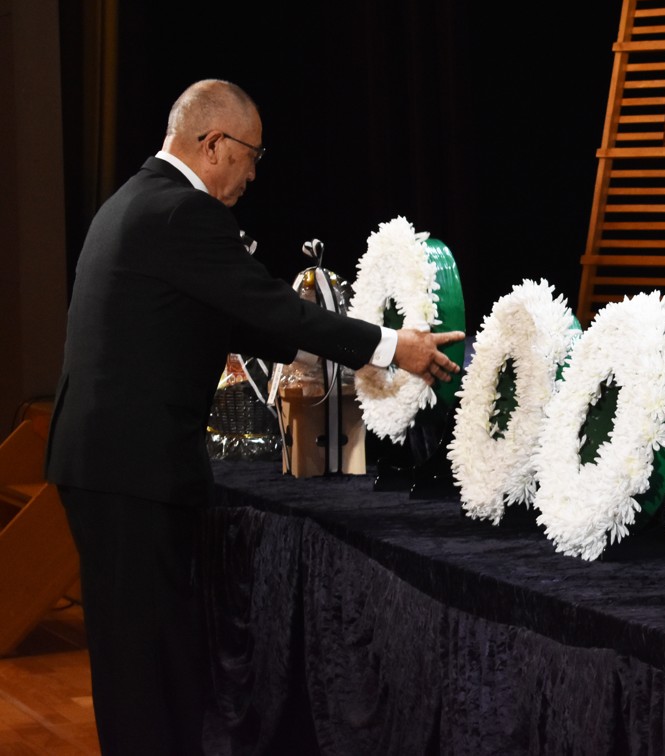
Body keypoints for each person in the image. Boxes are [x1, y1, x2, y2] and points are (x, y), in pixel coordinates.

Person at [45, 79, 463, 755]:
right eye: (252, 154)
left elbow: (246, 323)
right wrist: (393, 346)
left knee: (140, 658)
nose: (253, 173)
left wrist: (345, 352)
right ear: (214, 144)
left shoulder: (134, 200)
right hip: (131, 469)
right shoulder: (183, 213)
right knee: (148, 666)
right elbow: (271, 311)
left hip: (103, 461)